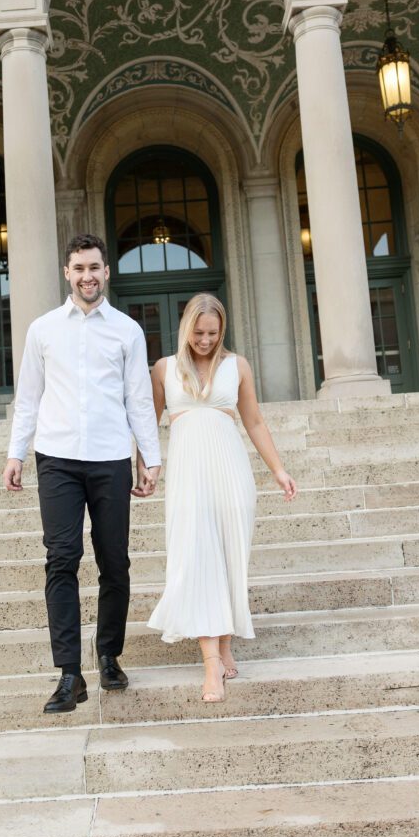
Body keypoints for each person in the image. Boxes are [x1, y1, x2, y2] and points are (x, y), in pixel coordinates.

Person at [3, 233, 162, 713]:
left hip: (111, 457)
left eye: (94, 267)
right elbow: (29, 396)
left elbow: (138, 398)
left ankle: (108, 654)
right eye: (79, 268)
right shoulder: (43, 329)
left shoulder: (127, 331)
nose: (87, 276)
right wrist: (16, 454)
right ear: (66, 273)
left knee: (115, 562)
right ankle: (69, 673)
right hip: (57, 458)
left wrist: (149, 457)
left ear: (106, 272)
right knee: (62, 559)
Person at [145, 293, 297, 702]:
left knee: (229, 556)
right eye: (198, 332)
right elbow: (145, 425)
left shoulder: (237, 366)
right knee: (197, 557)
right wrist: (142, 467)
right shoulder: (163, 370)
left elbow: (255, 421)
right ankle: (211, 663)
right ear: (185, 328)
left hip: (231, 472)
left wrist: (278, 470)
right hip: (187, 476)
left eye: (213, 332)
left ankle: (225, 642)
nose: (205, 339)